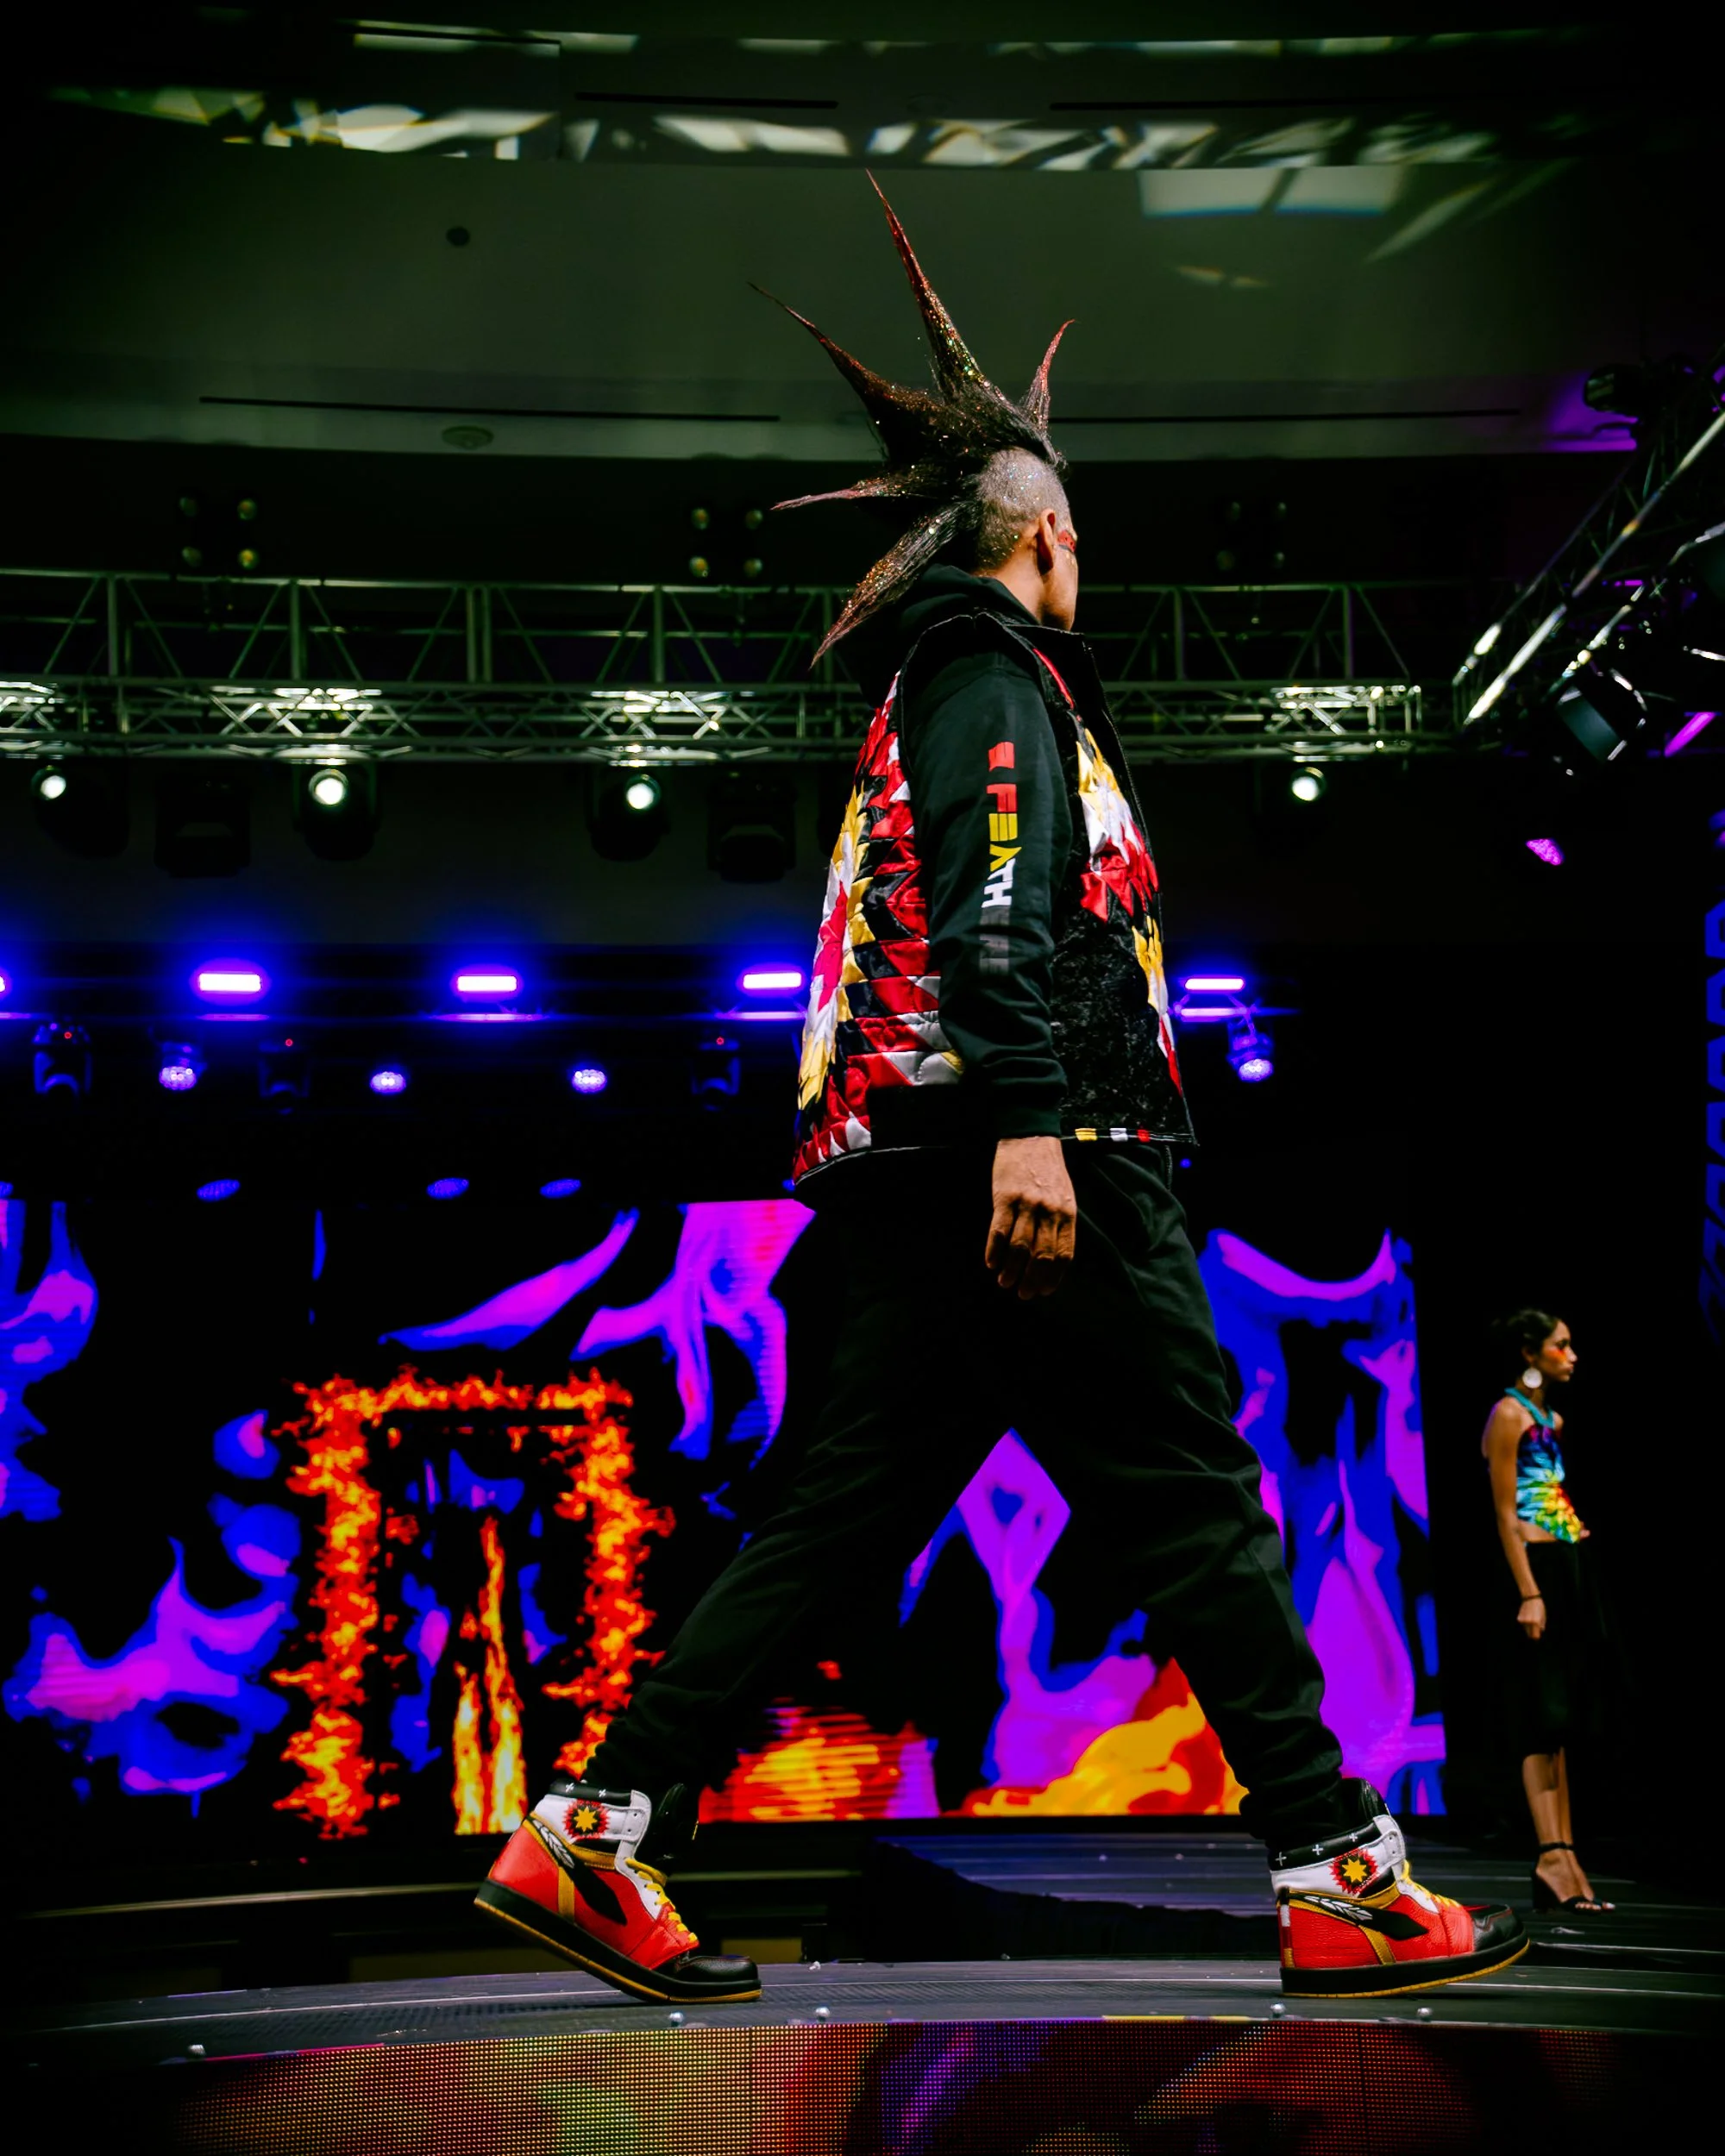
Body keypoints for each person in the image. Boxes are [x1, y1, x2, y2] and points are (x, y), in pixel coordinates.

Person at [475, 181, 1525, 2004]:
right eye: (1080, 534)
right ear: (1033, 531)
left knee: (835, 1517)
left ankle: (593, 1830)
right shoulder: (988, 670)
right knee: (1196, 1501)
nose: (1086, 565)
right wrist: (1033, 1115)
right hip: (1021, 1154)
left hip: (918, 1169)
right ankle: (1340, 1872)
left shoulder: (939, 682)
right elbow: (992, 900)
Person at [1482, 1310, 1612, 1913]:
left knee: (1562, 1719)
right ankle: (1550, 1854)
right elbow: (1506, 1514)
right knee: (1539, 1715)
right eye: (1562, 1345)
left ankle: (1568, 1852)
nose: (1572, 1354)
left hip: (1565, 1565)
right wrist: (1529, 1591)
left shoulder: (1549, 1418)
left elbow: (1546, 1488)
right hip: (1532, 1572)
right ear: (1531, 1354)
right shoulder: (1508, 1416)